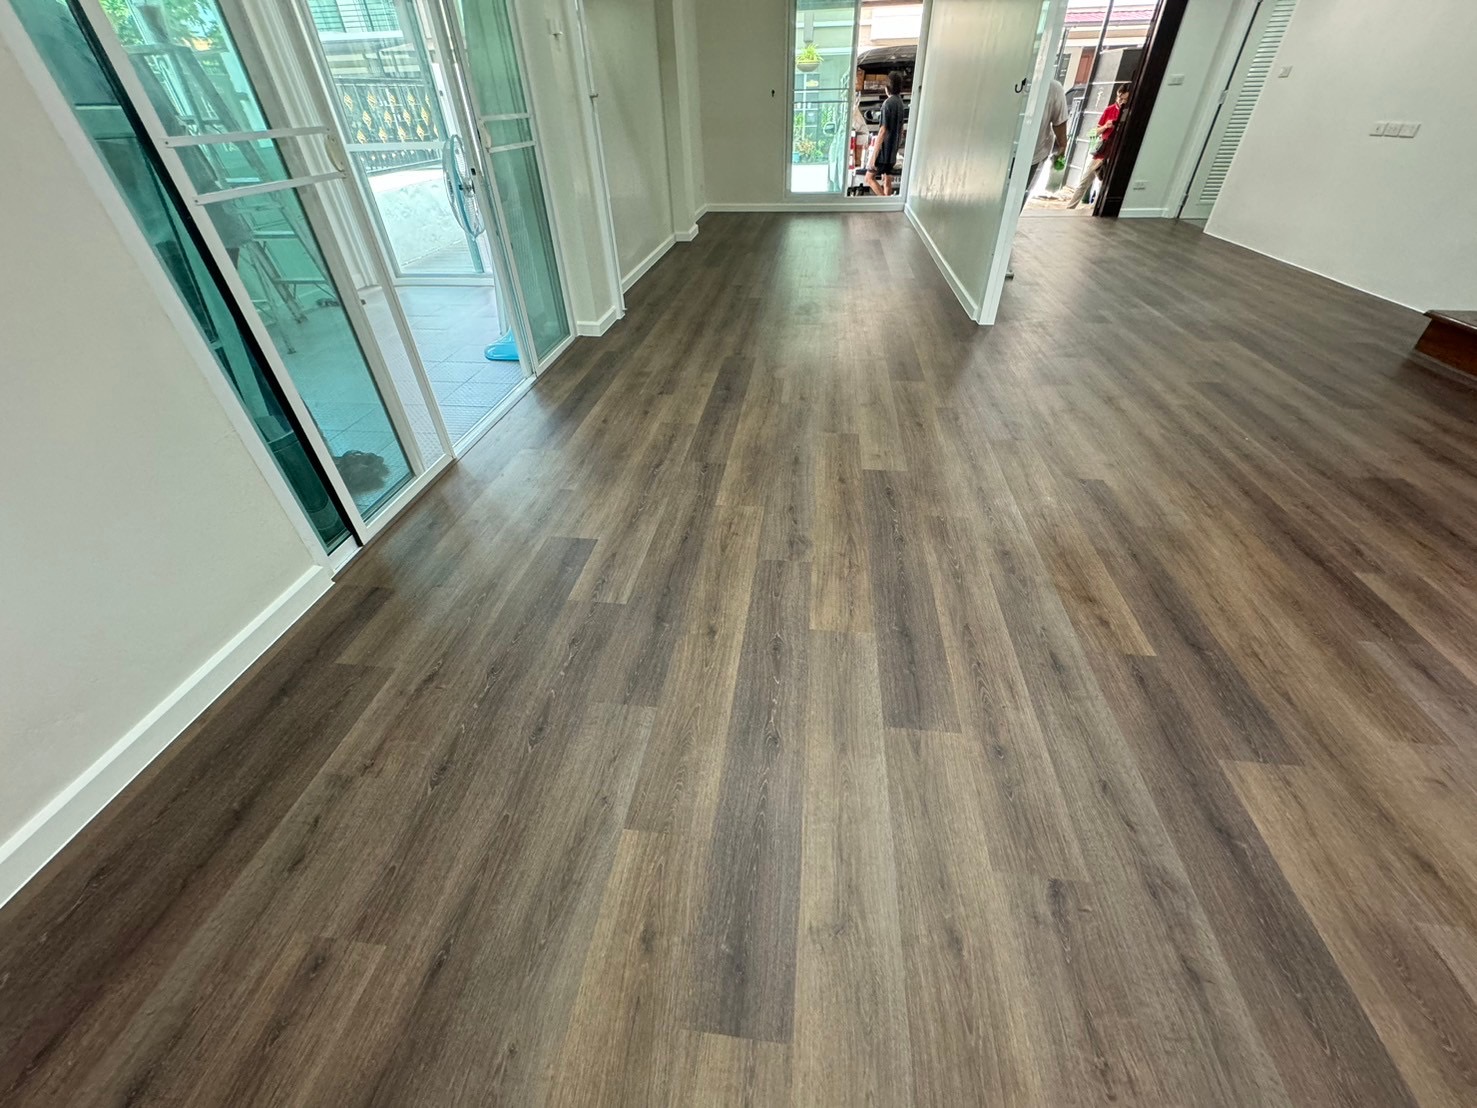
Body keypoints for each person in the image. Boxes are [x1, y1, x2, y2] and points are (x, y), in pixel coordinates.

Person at [1068, 84, 1131, 209]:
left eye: (1125, 99)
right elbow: (1093, 133)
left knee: (1104, 186)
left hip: (1116, 153)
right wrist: (1106, 126)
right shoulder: (1109, 110)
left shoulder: (1128, 112)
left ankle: (1094, 209)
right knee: (1085, 181)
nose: (1121, 101)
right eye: (1119, 98)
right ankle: (1070, 207)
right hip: (1102, 152)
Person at [1024, 78, 1069, 211]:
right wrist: (1062, 147)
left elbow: (1059, 122)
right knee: (1020, 195)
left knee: (1019, 194)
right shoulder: (1053, 87)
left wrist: (1062, 147)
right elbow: (1060, 122)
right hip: (1034, 152)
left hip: (1034, 153)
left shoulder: (1053, 87)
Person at [865, 70, 906, 196]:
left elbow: (883, 130)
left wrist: (873, 156)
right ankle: (887, 201)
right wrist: (896, 147)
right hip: (892, 151)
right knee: (887, 179)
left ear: (887, 87)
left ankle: (884, 201)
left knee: (869, 178)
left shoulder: (887, 104)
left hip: (884, 150)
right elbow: (901, 128)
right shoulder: (900, 103)